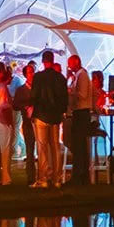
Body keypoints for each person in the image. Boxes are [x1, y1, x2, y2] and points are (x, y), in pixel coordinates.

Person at [30, 51, 69, 188]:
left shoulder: (38, 77)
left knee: (42, 148)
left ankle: (43, 178)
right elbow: (65, 99)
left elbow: (33, 96)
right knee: (55, 147)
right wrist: (61, 112)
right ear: (53, 60)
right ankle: (57, 178)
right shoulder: (60, 78)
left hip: (41, 115)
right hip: (55, 117)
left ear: (43, 61)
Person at [66, 54, 93, 185]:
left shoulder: (82, 75)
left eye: (70, 63)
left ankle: (80, 174)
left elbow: (82, 94)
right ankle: (82, 175)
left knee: (79, 144)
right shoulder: (79, 75)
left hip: (81, 112)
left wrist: (70, 91)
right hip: (79, 112)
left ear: (76, 62)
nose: (69, 66)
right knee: (79, 145)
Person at [12, 64, 35, 185]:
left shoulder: (38, 88)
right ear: (26, 75)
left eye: (33, 71)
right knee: (30, 149)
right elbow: (15, 105)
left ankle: (43, 174)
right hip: (27, 123)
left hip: (39, 121)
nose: (32, 74)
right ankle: (31, 176)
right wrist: (25, 106)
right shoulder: (21, 90)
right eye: (30, 72)